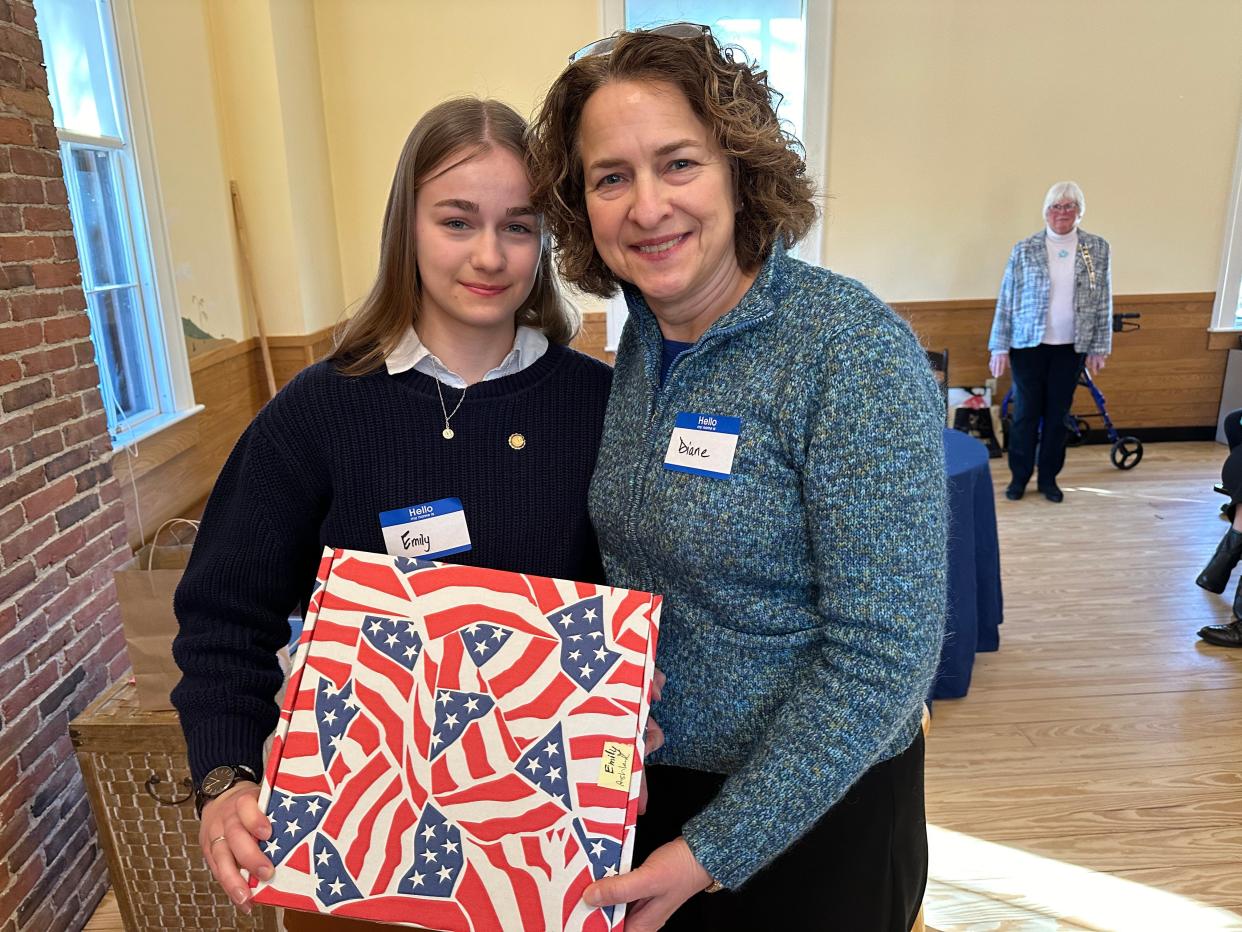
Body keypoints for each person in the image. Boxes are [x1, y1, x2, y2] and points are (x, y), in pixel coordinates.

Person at [528, 24, 946, 932]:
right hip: (648, 794)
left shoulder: (848, 352)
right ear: (581, 205)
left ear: (739, 169)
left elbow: (887, 657)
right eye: (611, 177)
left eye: (678, 163)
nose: (647, 207)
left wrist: (715, 850)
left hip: (815, 817)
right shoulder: (641, 340)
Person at [171, 98, 616, 930]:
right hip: (358, 850)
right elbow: (223, 610)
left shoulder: (599, 405)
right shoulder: (323, 408)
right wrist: (224, 774)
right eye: (456, 221)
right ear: (405, 225)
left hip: (547, 853)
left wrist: (637, 686)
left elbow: (634, 601)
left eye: (518, 227)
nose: (489, 255)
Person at [988, 181, 1113, 503]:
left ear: (1079, 211)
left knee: (1058, 416)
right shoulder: (1024, 248)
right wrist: (999, 346)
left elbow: (1103, 299)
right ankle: (1019, 478)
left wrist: (1099, 346)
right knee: (1027, 414)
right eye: (1056, 206)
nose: (1062, 213)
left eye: (1070, 206)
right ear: (1046, 211)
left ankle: (1048, 479)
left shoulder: (1096, 248)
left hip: (1071, 347)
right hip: (1028, 346)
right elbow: (1007, 298)